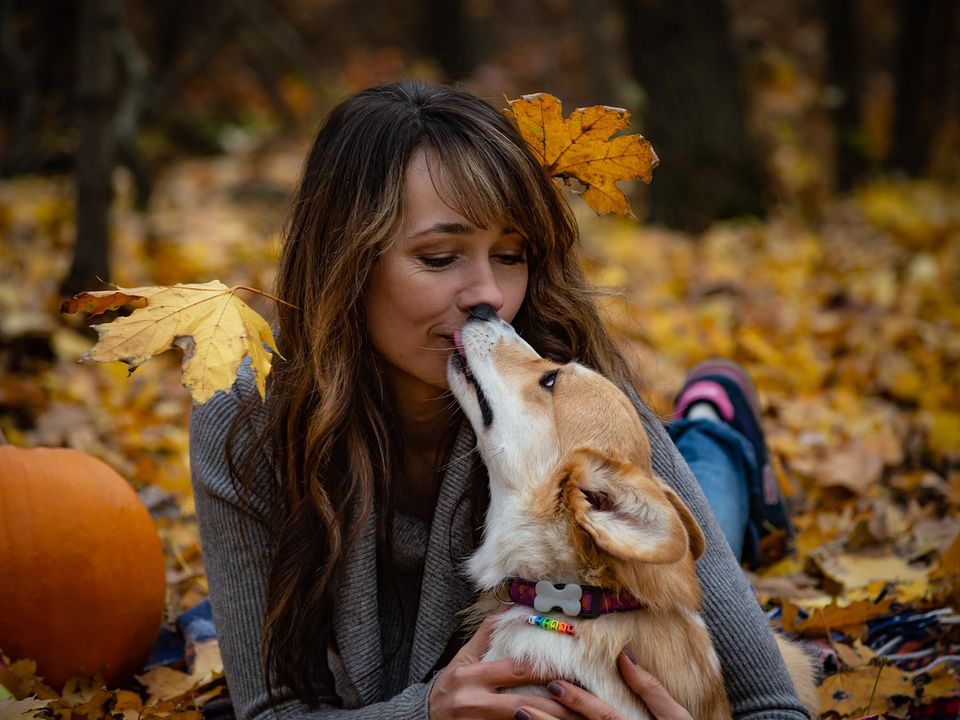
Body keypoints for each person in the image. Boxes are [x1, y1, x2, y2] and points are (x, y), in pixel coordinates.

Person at [189, 81, 807, 720]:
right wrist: (423, 712)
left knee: (687, 531)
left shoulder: (553, 387)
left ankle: (714, 434)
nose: (488, 294)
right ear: (347, 263)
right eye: (438, 256)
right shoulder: (249, 416)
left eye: (510, 255)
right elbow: (270, 711)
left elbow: (771, 704)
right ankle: (708, 435)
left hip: (619, 528)